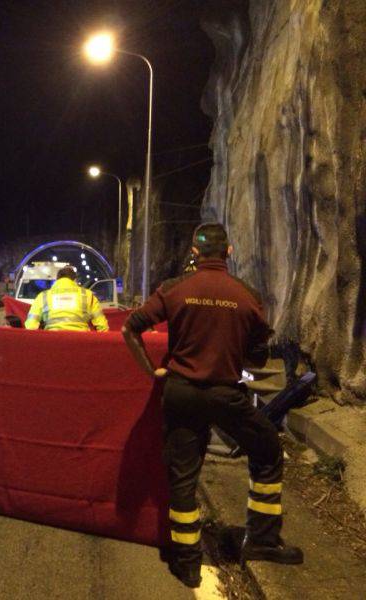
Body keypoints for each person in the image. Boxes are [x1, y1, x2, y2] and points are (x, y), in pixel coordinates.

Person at [121, 222, 302, 589]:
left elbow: (130, 327)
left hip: (181, 391)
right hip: (225, 395)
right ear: (229, 252)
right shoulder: (247, 295)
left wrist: (151, 371)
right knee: (267, 449)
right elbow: (256, 357)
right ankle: (264, 540)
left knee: (183, 475)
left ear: (194, 251)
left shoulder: (175, 288)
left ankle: (187, 563)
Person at [24, 266, 109, 332]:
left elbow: (30, 325)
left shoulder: (43, 296)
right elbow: (102, 324)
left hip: (53, 340)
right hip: (81, 340)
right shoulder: (87, 295)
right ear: (75, 280)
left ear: (57, 279)